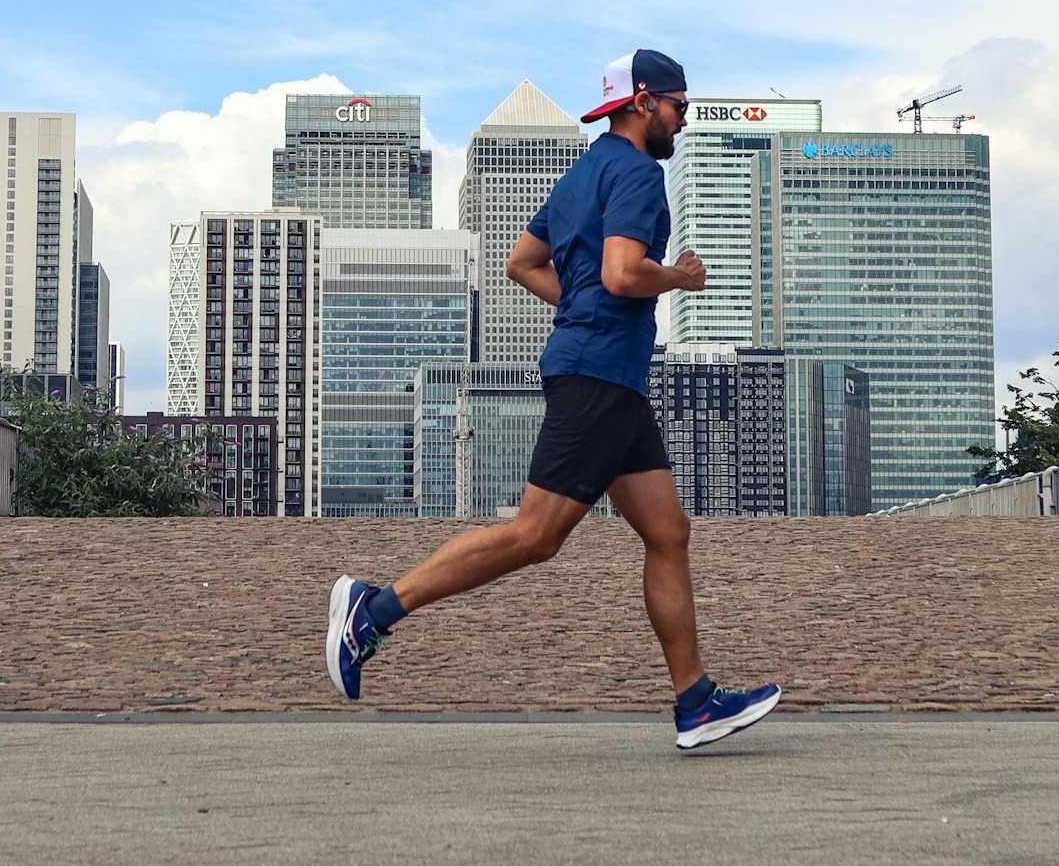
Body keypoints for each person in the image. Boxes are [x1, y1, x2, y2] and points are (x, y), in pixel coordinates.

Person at [325, 49, 781, 750]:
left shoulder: (583, 172)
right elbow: (624, 274)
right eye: (679, 106)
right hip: (599, 376)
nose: (683, 120)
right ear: (643, 101)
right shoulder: (638, 173)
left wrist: (581, 308)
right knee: (535, 536)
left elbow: (522, 263)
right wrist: (679, 278)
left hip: (609, 377)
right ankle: (373, 612)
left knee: (668, 532)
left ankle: (695, 702)